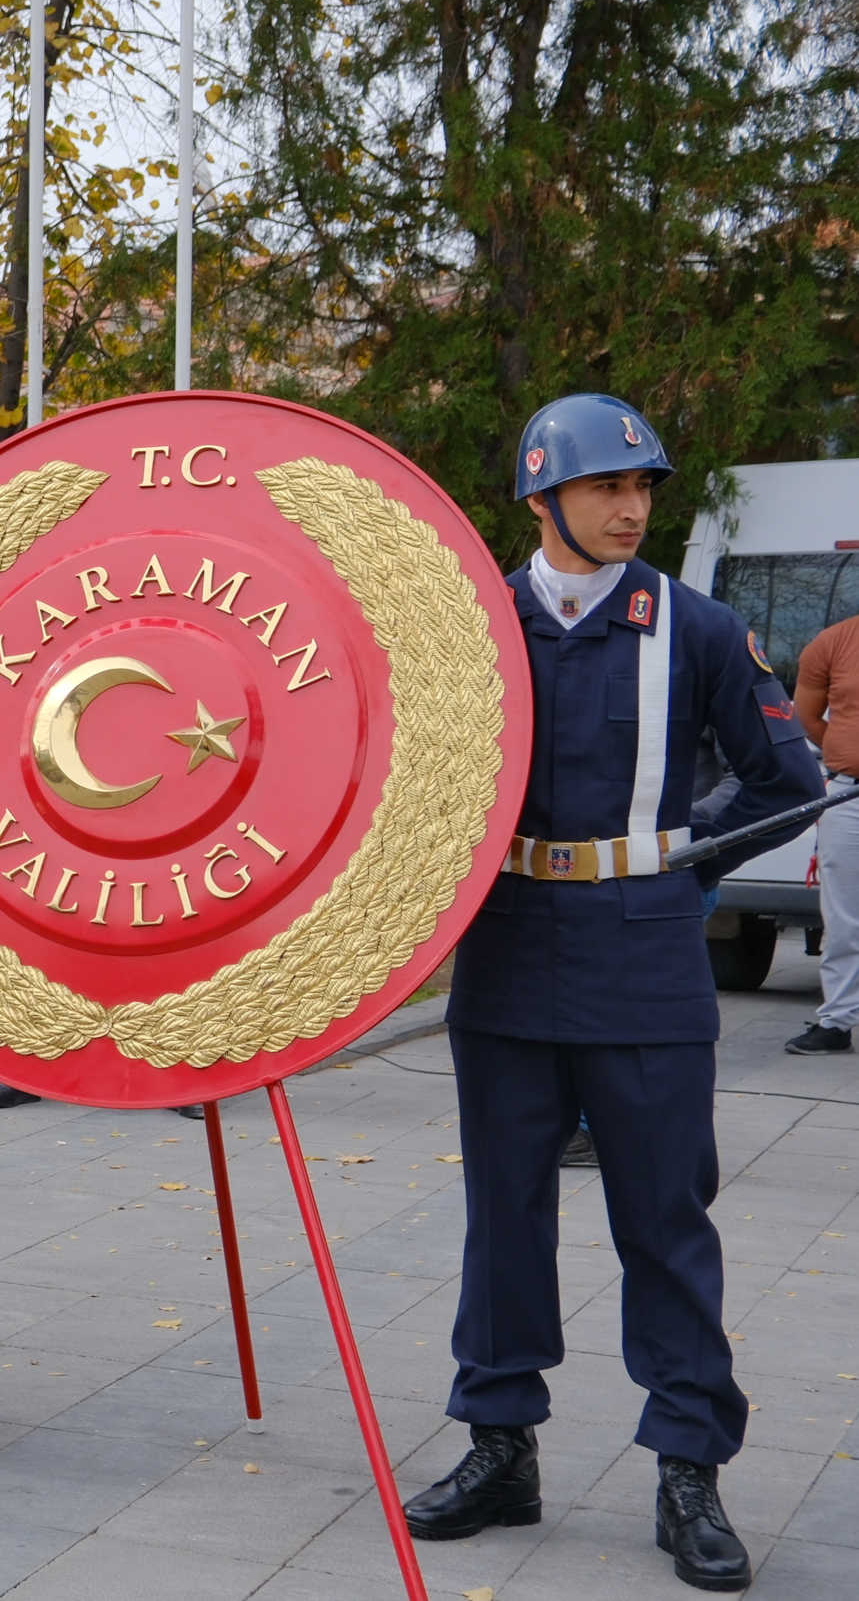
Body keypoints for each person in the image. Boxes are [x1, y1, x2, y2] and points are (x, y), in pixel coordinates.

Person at [401, 395, 818, 1592]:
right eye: (606, 488)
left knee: (664, 1223)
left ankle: (688, 1467)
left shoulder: (696, 626)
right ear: (542, 499)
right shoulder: (471, 625)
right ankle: (499, 1445)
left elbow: (785, 780)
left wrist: (682, 869)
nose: (632, 508)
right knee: (503, 1216)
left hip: (644, 965)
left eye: (642, 488)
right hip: (507, 956)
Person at [787, 608, 859, 1058]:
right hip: (849, 795)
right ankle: (836, 1021)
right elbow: (806, 716)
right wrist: (845, 748)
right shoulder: (833, 642)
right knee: (843, 917)